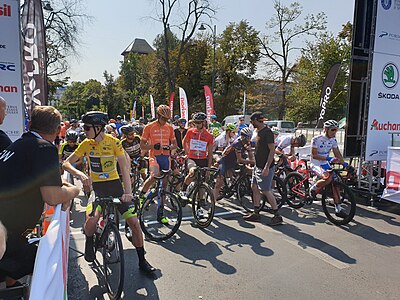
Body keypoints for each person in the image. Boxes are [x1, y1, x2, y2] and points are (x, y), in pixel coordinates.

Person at [63, 111, 155, 273]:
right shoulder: (86, 143)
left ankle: (142, 260)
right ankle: (89, 240)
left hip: (115, 188)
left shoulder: (114, 142)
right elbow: (66, 164)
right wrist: (81, 175)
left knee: (134, 223)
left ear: (98, 128)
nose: (84, 130)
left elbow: (125, 169)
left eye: (87, 127)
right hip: (98, 189)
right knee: (91, 222)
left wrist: (128, 192)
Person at [0, 106, 79, 287]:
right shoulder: (44, 148)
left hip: (8, 233)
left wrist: (62, 188)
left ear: (30, 124)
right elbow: (52, 196)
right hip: (8, 237)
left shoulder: (18, 144)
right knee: (48, 260)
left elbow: (49, 184)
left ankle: (13, 284)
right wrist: (74, 190)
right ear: (58, 130)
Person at [139, 105, 177, 224]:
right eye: (163, 119)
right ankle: (142, 195)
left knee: (164, 185)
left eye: (167, 119)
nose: (165, 121)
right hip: (154, 156)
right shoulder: (149, 127)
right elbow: (142, 145)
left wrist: (169, 147)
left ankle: (160, 213)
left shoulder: (169, 128)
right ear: (158, 116)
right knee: (154, 175)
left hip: (165, 157)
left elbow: (175, 145)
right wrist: (152, 146)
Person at [243, 112, 283, 225]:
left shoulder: (267, 132)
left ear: (256, 121)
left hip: (266, 166)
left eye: (252, 121)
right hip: (258, 165)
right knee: (254, 187)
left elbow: (271, 150)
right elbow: (260, 147)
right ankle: (256, 213)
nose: (251, 123)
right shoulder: (258, 132)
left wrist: (266, 167)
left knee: (266, 190)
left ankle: (277, 215)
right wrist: (251, 148)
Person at [309, 120, 347, 217]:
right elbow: (314, 155)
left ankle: (338, 209)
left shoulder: (333, 140)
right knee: (328, 178)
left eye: (336, 130)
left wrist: (345, 164)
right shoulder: (316, 139)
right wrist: (329, 158)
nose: (335, 132)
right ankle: (313, 189)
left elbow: (337, 153)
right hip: (316, 163)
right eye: (333, 130)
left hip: (325, 163)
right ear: (326, 129)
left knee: (336, 182)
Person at [181, 112, 214, 204]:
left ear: (204, 122)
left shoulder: (209, 136)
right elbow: (184, 142)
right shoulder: (190, 131)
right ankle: (183, 190)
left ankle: (201, 200)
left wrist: (209, 168)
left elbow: (210, 153)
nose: (196, 124)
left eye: (198, 122)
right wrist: (187, 152)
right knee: (193, 171)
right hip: (192, 158)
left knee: (201, 181)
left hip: (203, 159)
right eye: (195, 122)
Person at [213, 127, 255, 200]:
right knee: (219, 183)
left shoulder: (248, 142)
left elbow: (251, 159)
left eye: (250, 137)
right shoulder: (237, 143)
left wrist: (250, 150)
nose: (249, 139)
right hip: (225, 161)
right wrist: (253, 162)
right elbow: (240, 159)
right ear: (243, 136)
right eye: (248, 137)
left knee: (251, 171)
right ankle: (212, 203)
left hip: (234, 161)